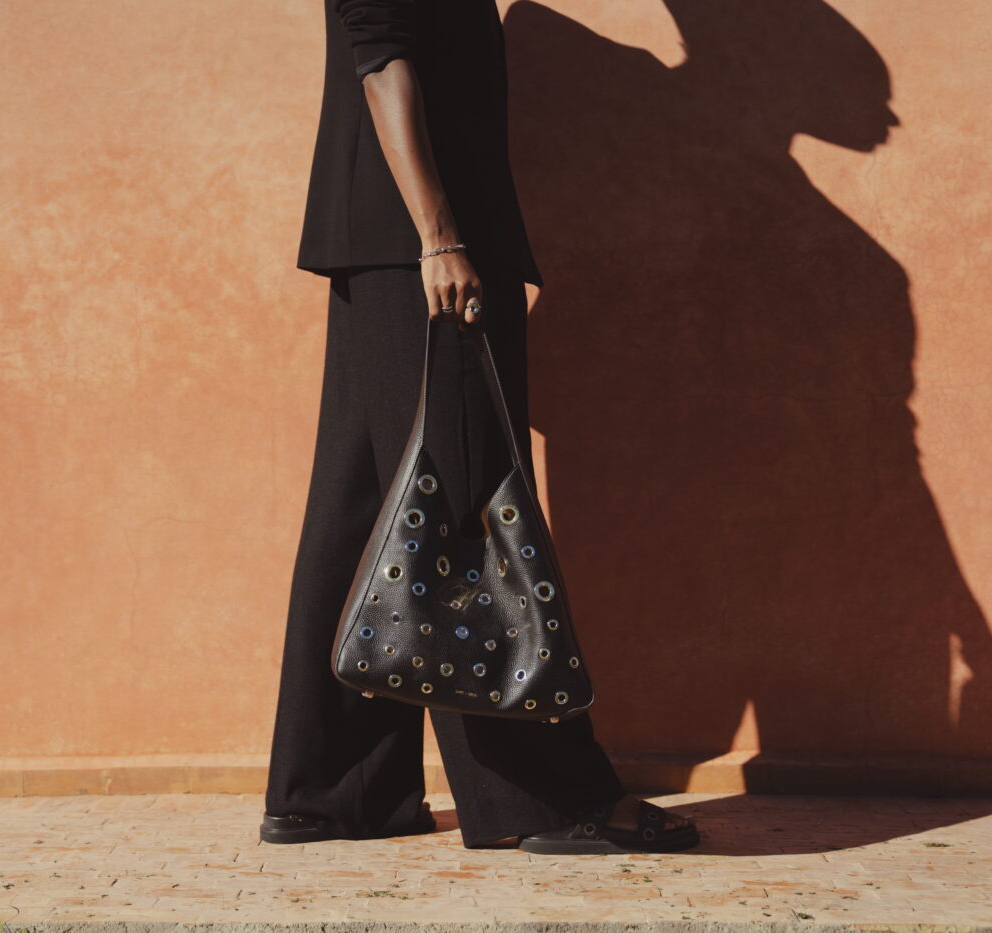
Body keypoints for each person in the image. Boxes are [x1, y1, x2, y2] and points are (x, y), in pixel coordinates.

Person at [260, 0, 700, 854]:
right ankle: (544, 794)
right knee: (468, 506)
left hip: (396, 248)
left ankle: (328, 789)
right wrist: (439, 236)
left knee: (363, 506)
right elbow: (380, 61)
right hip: (426, 251)